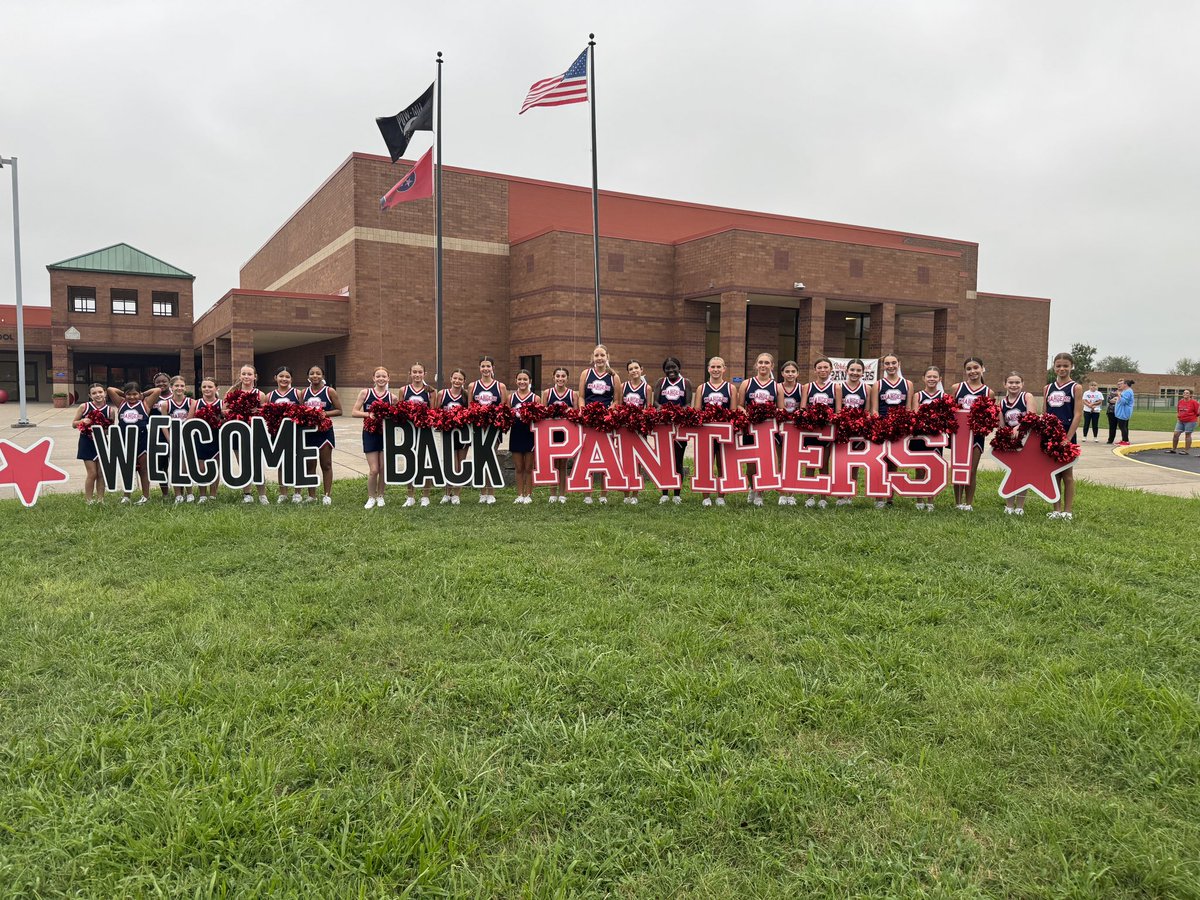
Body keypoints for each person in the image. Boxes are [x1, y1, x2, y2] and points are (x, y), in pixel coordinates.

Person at [577, 345, 621, 504]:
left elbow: (617, 400)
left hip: (605, 422)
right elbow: (581, 396)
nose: (599, 358)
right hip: (588, 421)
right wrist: (583, 411)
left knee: (605, 458)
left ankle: (603, 494)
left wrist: (610, 411)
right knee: (586, 457)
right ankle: (587, 494)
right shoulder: (585, 374)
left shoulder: (614, 376)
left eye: (602, 355)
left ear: (607, 356)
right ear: (592, 357)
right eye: (597, 355)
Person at [871, 353, 914, 509]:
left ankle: (890, 497)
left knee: (893, 463)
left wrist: (902, 425)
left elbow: (908, 408)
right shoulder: (878, 384)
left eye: (893, 363)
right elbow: (874, 409)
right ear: (883, 366)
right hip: (882, 428)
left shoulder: (908, 384)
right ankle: (878, 497)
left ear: (899, 364)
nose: (890, 366)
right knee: (879, 462)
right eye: (887, 363)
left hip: (899, 429)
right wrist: (881, 424)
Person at [951, 356, 993, 512]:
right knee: (958, 468)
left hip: (976, 435)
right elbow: (950, 411)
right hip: (959, 435)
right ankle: (957, 502)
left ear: (982, 368)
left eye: (976, 367)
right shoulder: (956, 388)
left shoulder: (989, 392)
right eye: (969, 369)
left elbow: (990, 418)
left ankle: (968, 503)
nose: (972, 371)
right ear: (965, 371)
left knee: (971, 469)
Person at [740, 352, 782, 507]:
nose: (763, 365)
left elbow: (781, 409)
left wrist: (771, 413)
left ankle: (760, 493)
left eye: (766, 363)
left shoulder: (777, 386)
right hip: (750, 428)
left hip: (767, 430)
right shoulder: (747, 383)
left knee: (764, 462)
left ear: (772, 366)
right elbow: (739, 404)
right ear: (756, 365)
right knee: (751, 463)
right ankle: (752, 487)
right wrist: (745, 412)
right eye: (761, 362)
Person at [1045, 352, 1083, 520]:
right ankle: (1056, 509)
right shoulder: (1047, 388)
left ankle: (1067, 511)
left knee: (1067, 474)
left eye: (1065, 365)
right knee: (1053, 474)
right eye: (1058, 365)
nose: (1062, 368)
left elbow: (1078, 414)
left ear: (1071, 367)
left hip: (1067, 435)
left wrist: (1068, 438)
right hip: (1050, 435)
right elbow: (1045, 414)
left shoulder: (1076, 387)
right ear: (1054, 367)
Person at [115, 382, 165, 504]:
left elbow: (157, 390)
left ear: (139, 394)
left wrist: (142, 395)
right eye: (129, 395)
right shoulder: (121, 403)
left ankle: (146, 496)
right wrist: (124, 394)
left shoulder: (145, 404)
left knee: (143, 469)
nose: (132, 397)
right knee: (128, 469)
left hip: (142, 440)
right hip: (126, 440)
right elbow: (111, 389)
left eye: (135, 394)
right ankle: (126, 495)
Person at [226, 365, 269, 504]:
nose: (246, 376)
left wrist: (258, 411)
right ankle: (247, 494)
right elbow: (223, 410)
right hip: (237, 432)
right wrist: (235, 410)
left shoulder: (260, 394)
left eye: (249, 374)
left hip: (255, 432)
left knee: (257, 463)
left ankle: (263, 494)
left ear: (254, 377)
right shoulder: (232, 392)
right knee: (243, 464)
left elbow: (266, 413)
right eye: (243, 373)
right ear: (240, 376)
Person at [351, 367, 394, 509]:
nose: (381, 378)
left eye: (384, 376)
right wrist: (368, 414)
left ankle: (381, 495)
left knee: (383, 468)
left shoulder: (392, 397)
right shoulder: (365, 393)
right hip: (370, 433)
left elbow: (397, 416)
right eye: (378, 376)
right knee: (373, 469)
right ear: (373, 378)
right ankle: (371, 497)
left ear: (388, 378)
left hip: (385, 434)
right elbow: (354, 412)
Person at [694, 356, 732, 507]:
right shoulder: (701, 388)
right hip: (706, 433)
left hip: (723, 433)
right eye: (713, 367)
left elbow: (733, 411)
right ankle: (706, 496)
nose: (716, 370)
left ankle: (721, 495)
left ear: (724, 369)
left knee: (722, 464)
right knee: (706, 464)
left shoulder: (730, 388)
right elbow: (697, 411)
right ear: (708, 369)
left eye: (719, 367)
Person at [470, 356, 508, 505]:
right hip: (478, 428)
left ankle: (491, 492)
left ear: (493, 368)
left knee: (491, 457)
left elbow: (504, 409)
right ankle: (482, 492)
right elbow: (469, 408)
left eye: (488, 366)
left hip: (494, 429)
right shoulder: (473, 386)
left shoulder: (500, 386)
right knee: (480, 459)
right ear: (479, 368)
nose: (485, 369)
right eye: (483, 366)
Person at [800, 356, 837, 510]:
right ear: (815, 370)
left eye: (825, 367)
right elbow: (802, 408)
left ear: (830, 370)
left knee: (824, 463)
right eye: (820, 368)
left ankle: (823, 496)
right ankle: (809, 496)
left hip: (827, 431)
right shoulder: (807, 387)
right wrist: (810, 418)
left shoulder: (836, 388)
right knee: (810, 463)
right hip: (811, 431)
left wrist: (828, 418)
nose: (823, 370)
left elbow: (838, 410)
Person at [301, 365, 341, 505]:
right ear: (308, 376)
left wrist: (325, 413)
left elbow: (339, 410)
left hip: (325, 432)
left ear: (323, 376)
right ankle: (311, 495)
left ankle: (327, 495)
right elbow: (300, 412)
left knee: (326, 464)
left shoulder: (330, 391)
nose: (315, 376)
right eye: (312, 373)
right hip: (309, 432)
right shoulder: (303, 393)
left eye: (318, 373)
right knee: (310, 465)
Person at [655, 357, 691, 505]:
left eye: (673, 367)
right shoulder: (660, 382)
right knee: (664, 460)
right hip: (663, 426)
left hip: (679, 427)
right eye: (667, 368)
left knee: (678, 460)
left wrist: (678, 411)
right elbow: (655, 401)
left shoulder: (686, 383)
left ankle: (677, 493)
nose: (671, 370)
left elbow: (688, 403)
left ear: (679, 368)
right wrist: (661, 408)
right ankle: (664, 492)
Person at [73, 383, 117, 505]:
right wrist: (83, 421)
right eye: (94, 393)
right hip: (87, 442)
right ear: (89, 395)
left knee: (101, 473)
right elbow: (73, 424)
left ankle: (100, 499)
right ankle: (88, 500)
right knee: (92, 473)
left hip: (102, 442)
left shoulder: (110, 410)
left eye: (100, 392)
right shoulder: (84, 407)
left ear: (105, 393)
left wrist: (104, 429)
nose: (98, 395)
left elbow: (111, 429)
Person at [999, 372, 1035, 516]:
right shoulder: (1001, 402)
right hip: (1010, 442)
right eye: (1011, 382)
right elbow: (1001, 425)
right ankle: (1009, 505)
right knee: (1010, 472)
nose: (1014, 385)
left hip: (1026, 440)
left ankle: (1020, 505)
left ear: (1022, 383)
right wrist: (1005, 434)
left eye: (1017, 382)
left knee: (1023, 473)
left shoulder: (1027, 397)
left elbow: (1032, 417)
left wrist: (1018, 428)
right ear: (1005, 384)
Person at [913, 366, 945, 512]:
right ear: (923, 379)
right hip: (920, 436)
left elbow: (946, 418)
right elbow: (914, 415)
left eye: (935, 376)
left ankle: (931, 499)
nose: (932, 379)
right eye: (929, 376)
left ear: (940, 379)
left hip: (936, 437)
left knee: (933, 468)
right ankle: (919, 499)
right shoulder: (918, 396)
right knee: (919, 468)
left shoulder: (944, 397)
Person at [267, 367, 301, 504]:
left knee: (297, 462)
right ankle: (283, 493)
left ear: (291, 379)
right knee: (281, 463)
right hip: (277, 433)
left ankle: (297, 493)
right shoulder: (270, 396)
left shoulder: (298, 393)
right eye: (281, 376)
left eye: (287, 377)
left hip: (295, 432)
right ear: (275, 378)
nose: (284, 379)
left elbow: (304, 411)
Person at [620, 359, 653, 504]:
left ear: (641, 369)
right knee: (625, 460)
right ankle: (626, 494)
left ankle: (635, 494)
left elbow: (649, 409)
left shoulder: (647, 388)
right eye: (631, 369)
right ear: (628, 372)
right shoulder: (622, 386)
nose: (634, 371)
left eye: (636, 368)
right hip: (626, 428)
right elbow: (619, 406)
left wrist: (640, 418)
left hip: (640, 428)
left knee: (638, 460)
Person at [401, 362, 434, 507]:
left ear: (424, 374)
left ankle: (425, 495)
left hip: (425, 431)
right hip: (409, 431)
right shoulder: (404, 390)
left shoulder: (430, 391)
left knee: (426, 463)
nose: (417, 375)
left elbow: (434, 412)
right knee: (410, 462)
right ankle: (410, 495)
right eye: (414, 372)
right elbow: (399, 412)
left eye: (420, 372)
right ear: (410, 373)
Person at [543, 367, 576, 504]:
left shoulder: (572, 394)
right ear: (553, 377)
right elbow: (542, 413)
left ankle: (562, 493)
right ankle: (552, 493)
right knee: (553, 464)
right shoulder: (547, 393)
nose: (560, 378)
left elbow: (575, 414)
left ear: (567, 378)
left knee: (563, 464)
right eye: (558, 376)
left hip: (565, 434)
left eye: (563, 376)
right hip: (551, 433)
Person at [438, 369, 470, 505]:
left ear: (464, 381)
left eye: (460, 379)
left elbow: (470, 413)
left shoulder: (466, 396)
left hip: (462, 434)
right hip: (447, 433)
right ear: (450, 378)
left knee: (460, 464)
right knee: (449, 464)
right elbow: (436, 412)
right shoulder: (442, 394)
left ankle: (457, 494)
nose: (457, 381)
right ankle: (447, 493)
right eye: (455, 378)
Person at [163, 376, 196, 505]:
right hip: (173, 438)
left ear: (185, 387)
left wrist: (185, 438)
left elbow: (189, 420)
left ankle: (190, 493)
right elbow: (164, 425)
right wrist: (170, 440)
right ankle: (178, 494)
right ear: (171, 388)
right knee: (175, 467)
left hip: (187, 438)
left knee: (186, 468)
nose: (179, 388)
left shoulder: (191, 402)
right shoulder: (166, 404)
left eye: (182, 385)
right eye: (176, 386)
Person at [509, 369, 540, 504]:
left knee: (529, 467)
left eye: (525, 379)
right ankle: (519, 494)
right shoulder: (510, 398)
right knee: (519, 467)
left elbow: (540, 418)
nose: (522, 382)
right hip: (516, 433)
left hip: (530, 435)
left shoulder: (536, 398)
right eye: (520, 379)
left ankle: (528, 495)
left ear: (530, 381)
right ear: (516, 381)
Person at [190, 377, 223, 504]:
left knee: (215, 467)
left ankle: (213, 495)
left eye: (210, 386)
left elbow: (226, 420)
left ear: (216, 388)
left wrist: (215, 420)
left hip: (216, 438)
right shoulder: (196, 403)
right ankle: (203, 495)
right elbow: (189, 420)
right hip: (200, 439)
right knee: (202, 468)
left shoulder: (221, 403)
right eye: (204, 387)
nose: (207, 389)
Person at [776, 361, 802, 506]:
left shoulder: (802, 388)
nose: (790, 374)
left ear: (797, 373)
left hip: (795, 430)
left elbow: (803, 408)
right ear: (782, 373)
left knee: (793, 461)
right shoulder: (777, 387)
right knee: (781, 460)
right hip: (779, 428)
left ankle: (791, 492)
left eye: (793, 371)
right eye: (787, 371)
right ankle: (782, 492)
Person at [1170, 389, 1198, 454]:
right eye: (1184, 393)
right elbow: (1178, 410)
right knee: (1176, 434)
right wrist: (1179, 418)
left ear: (1190, 395)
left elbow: (1197, 413)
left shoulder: (1194, 402)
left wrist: (1198, 422)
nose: (1185, 394)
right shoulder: (1180, 401)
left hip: (1190, 421)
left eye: (1187, 393)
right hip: (1180, 421)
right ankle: (1173, 449)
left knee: (1187, 435)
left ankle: (1186, 450)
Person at [1114, 379, 1135, 446]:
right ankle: (1124, 440)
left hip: (1124, 412)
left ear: (1125, 384)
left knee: (1122, 426)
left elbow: (1124, 402)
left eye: (1122, 384)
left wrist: (1118, 395)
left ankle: (1126, 441)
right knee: (1124, 426)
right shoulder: (1126, 391)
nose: (1120, 385)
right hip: (1122, 411)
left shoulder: (1128, 392)